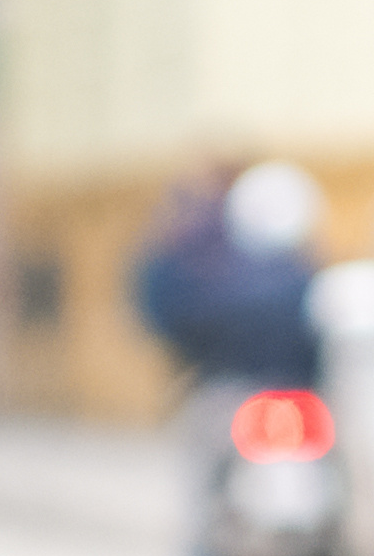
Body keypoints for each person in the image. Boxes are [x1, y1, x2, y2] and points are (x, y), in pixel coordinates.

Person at [132, 157, 327, 395]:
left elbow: (162, 310)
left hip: (235, 380)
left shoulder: (192, 235)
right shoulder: (199, 235)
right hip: (242, 382)